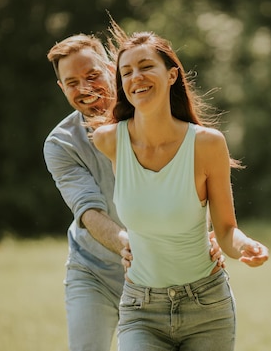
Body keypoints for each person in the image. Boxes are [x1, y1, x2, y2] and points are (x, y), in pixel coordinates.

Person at [90, 21, 269, 351]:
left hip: (207, 308)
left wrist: (245, 246)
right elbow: (81, 104)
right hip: (141, 308)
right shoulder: (109, 141)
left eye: (146, 67)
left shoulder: (206, 145)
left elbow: (227, 231)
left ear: (172, 75)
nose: (135, 78)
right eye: (126, 72)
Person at [43, 33, 223, 351]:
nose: (84, 88)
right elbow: (88, 212)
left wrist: (206, 236)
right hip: (94, 271)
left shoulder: (157, 118)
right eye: (72, 82)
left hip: (158, 275)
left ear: (112, 67)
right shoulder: (61, 144)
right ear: (61, 88)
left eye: (92, 75)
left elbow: (190, 186)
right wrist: (131, 245)